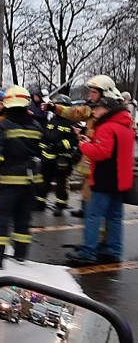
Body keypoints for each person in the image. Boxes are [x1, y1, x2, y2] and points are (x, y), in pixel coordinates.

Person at [0, 86, 43, 269]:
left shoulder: (3, 126)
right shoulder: (36, 126)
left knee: (0, 219)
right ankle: (21, 255)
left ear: (8, 104)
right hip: (29, 182)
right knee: (23, 218)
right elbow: (40, 154)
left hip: (7, 182)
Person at [65, 97, 135, 265]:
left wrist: (83, 145)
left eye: (97, 109)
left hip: (105, 179)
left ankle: (88, 252)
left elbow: (101, 153)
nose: (94, 111)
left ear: (107, 110)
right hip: (121, 180)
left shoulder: (107, 127)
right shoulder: (127, 127)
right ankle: (113, 250)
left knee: (93, 216)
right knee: (115, 217)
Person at [43, 75, 123, 218]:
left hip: (104, 161)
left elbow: (108, 135)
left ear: (104, 93)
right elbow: (74, 113)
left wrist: (86, 132)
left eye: (93, 92)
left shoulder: (113, 112)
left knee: (99, 199)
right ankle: (86, 210)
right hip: (92, 156)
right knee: (87, 184)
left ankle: (98, 230)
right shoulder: (92, 108)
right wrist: (55, 108)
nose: (89, 95)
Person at [34, 94, 78, 217]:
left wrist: (60, 145)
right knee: (43, 182)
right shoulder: (52, 120)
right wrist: (41, 148)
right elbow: (46, 136)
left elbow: (74, 140)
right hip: (47, 157)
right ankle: (40, 202)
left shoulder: (72, 123)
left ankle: (60, 205)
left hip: (62, 158)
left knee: (61, 183)